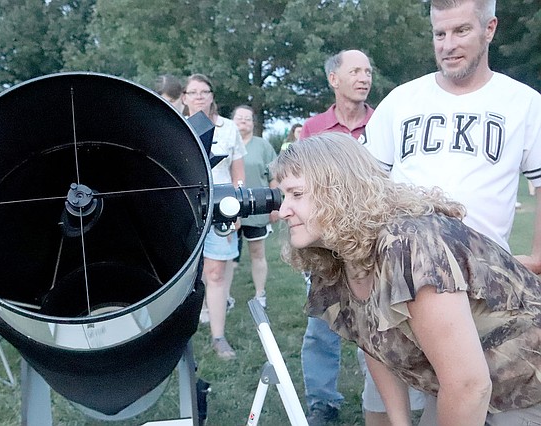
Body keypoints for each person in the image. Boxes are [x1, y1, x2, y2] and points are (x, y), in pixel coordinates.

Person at [274, 132, 541, 426]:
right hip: (464, 382)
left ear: (339, 191)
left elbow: (468, 386)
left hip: (528, 382)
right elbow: (374, 341)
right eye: (284, 195)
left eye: (296, 194)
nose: (283, 210)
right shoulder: (338, 256)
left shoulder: (408, 245)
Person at [363, 0, 541, 422]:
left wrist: (536, 258)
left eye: (461, 31)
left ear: (490, 28)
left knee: (473, 396)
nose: (448, 45)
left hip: (480, 292)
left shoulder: (524, 105)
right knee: (384, 410)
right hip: (398, 285)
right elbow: (365, 188)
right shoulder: (401, 101)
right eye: (439, 34)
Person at [297, 49, 375, 425]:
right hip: (326, 249)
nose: (364, 78)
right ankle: (322, 402)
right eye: (355, 71)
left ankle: (377, 397)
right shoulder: (312, 129)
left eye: (367, 71)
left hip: (371, 245)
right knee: (321, 327)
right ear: (334, 79)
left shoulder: (383, 123)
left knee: (377, 325)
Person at [182, 73, 246, 360]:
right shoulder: (174, 127)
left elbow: (238, 174)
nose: (198, 96)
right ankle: (177, 336)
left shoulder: (229, 129)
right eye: (193, 92)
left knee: (217, 272)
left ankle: (218, 336)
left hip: (219, 208)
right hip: (183, 212)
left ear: (212, 97)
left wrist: (239, 208)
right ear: (184, 97)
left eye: (204, 91)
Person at [231, 105, 278, 308]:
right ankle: (224, 296)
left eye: (248, 119)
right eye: (239, 117)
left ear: (253, 123)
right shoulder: (226, 143)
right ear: (232, 120)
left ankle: (260, 294)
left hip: (257, 209)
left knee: (258, 253)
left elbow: (274, 176)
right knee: (228, 258)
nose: (243, 121)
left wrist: (275, 205)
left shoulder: (263, 146)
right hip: (230, 210)